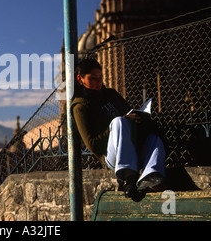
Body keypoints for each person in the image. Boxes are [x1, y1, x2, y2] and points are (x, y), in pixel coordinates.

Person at [71, 58, 167, 201]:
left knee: (153, 137)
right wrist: (119, 124)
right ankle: (128, 179)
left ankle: (151, 176)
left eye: (100, 78)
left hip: (132, 147)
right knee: (118, 122)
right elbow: (93, 144)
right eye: (93, 78)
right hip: (111, 155)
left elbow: (129, 113)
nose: (98, 82)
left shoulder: (111, 94)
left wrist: (138, 118)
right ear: (80, 79)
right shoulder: (80, 106)